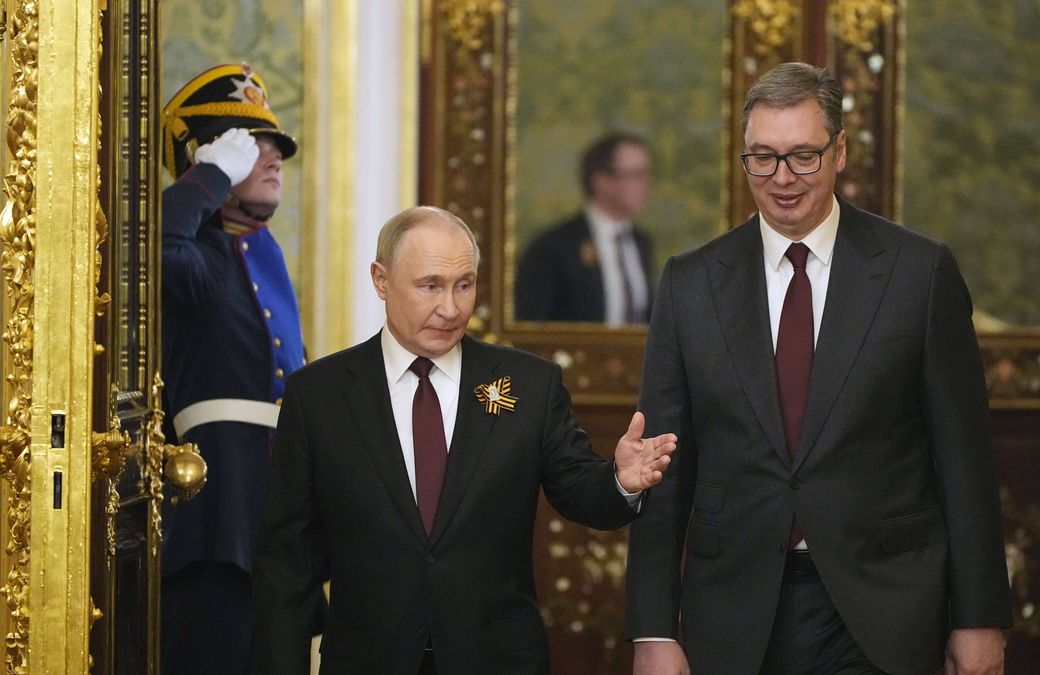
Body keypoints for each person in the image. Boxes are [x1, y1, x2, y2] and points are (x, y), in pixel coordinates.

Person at [624, 62, 1012, 675]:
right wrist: (651, 629)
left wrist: (979, 616)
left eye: (803, 156)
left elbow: (964, 460)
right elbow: (661, 467)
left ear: (840, 153)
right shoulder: (691, 283)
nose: (782, 178)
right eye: (763, 157)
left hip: (885, 607)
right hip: (736, 608)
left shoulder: (919, 273)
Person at [253, 206, 678, 674]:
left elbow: (580, 491)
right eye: (430, 285)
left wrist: (620, 480)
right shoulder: (319, 395)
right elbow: (287, 566)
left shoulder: (529, 384)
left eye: (465, 285)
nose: (451, 308)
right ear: (381, 279)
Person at [158, 62, 309, 674]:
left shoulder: (261, 251)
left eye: (276, 147)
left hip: (275, 506)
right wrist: (209, 177)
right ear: (207, 158)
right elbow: (155, 248)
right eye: (250, 147)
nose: (272, 158)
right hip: (216, 510)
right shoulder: (198, 258)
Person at [515, 133, 656, 324]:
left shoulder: (640, 242)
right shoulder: (554, 247)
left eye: (647, 174)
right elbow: (532, 323)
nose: (647, 185)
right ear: (601, 181)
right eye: (636, 175)